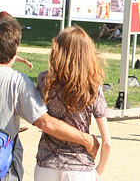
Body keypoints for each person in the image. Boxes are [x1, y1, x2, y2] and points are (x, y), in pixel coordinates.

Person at [0, 18, 99, 181]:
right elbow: (45, 123)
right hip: (4, 167)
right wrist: (87, 140)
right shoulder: (17, 82)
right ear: (15, 50)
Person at [35, 25, 111, 180]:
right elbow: (107, 142)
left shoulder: (45, 80)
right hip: (80, 166)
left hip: (47, 163)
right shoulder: (92, 86)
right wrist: (99, 171)